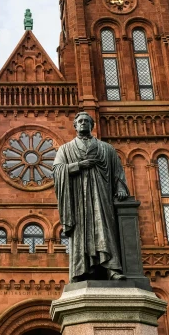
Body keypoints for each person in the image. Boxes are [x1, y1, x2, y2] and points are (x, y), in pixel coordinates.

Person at [53, 112, 129, 281]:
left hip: (101, 196)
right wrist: (78, 165)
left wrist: (121, 188)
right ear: (75, 126)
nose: (83, 123)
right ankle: (81, 271)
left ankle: (112, 269)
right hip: (78, 198)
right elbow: (57, 170)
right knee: (80, 232)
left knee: (104, 228)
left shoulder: (106, 148)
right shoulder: (65, 149)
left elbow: (118, 171)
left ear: (92, 125)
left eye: (87, 121)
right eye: (80, 121)